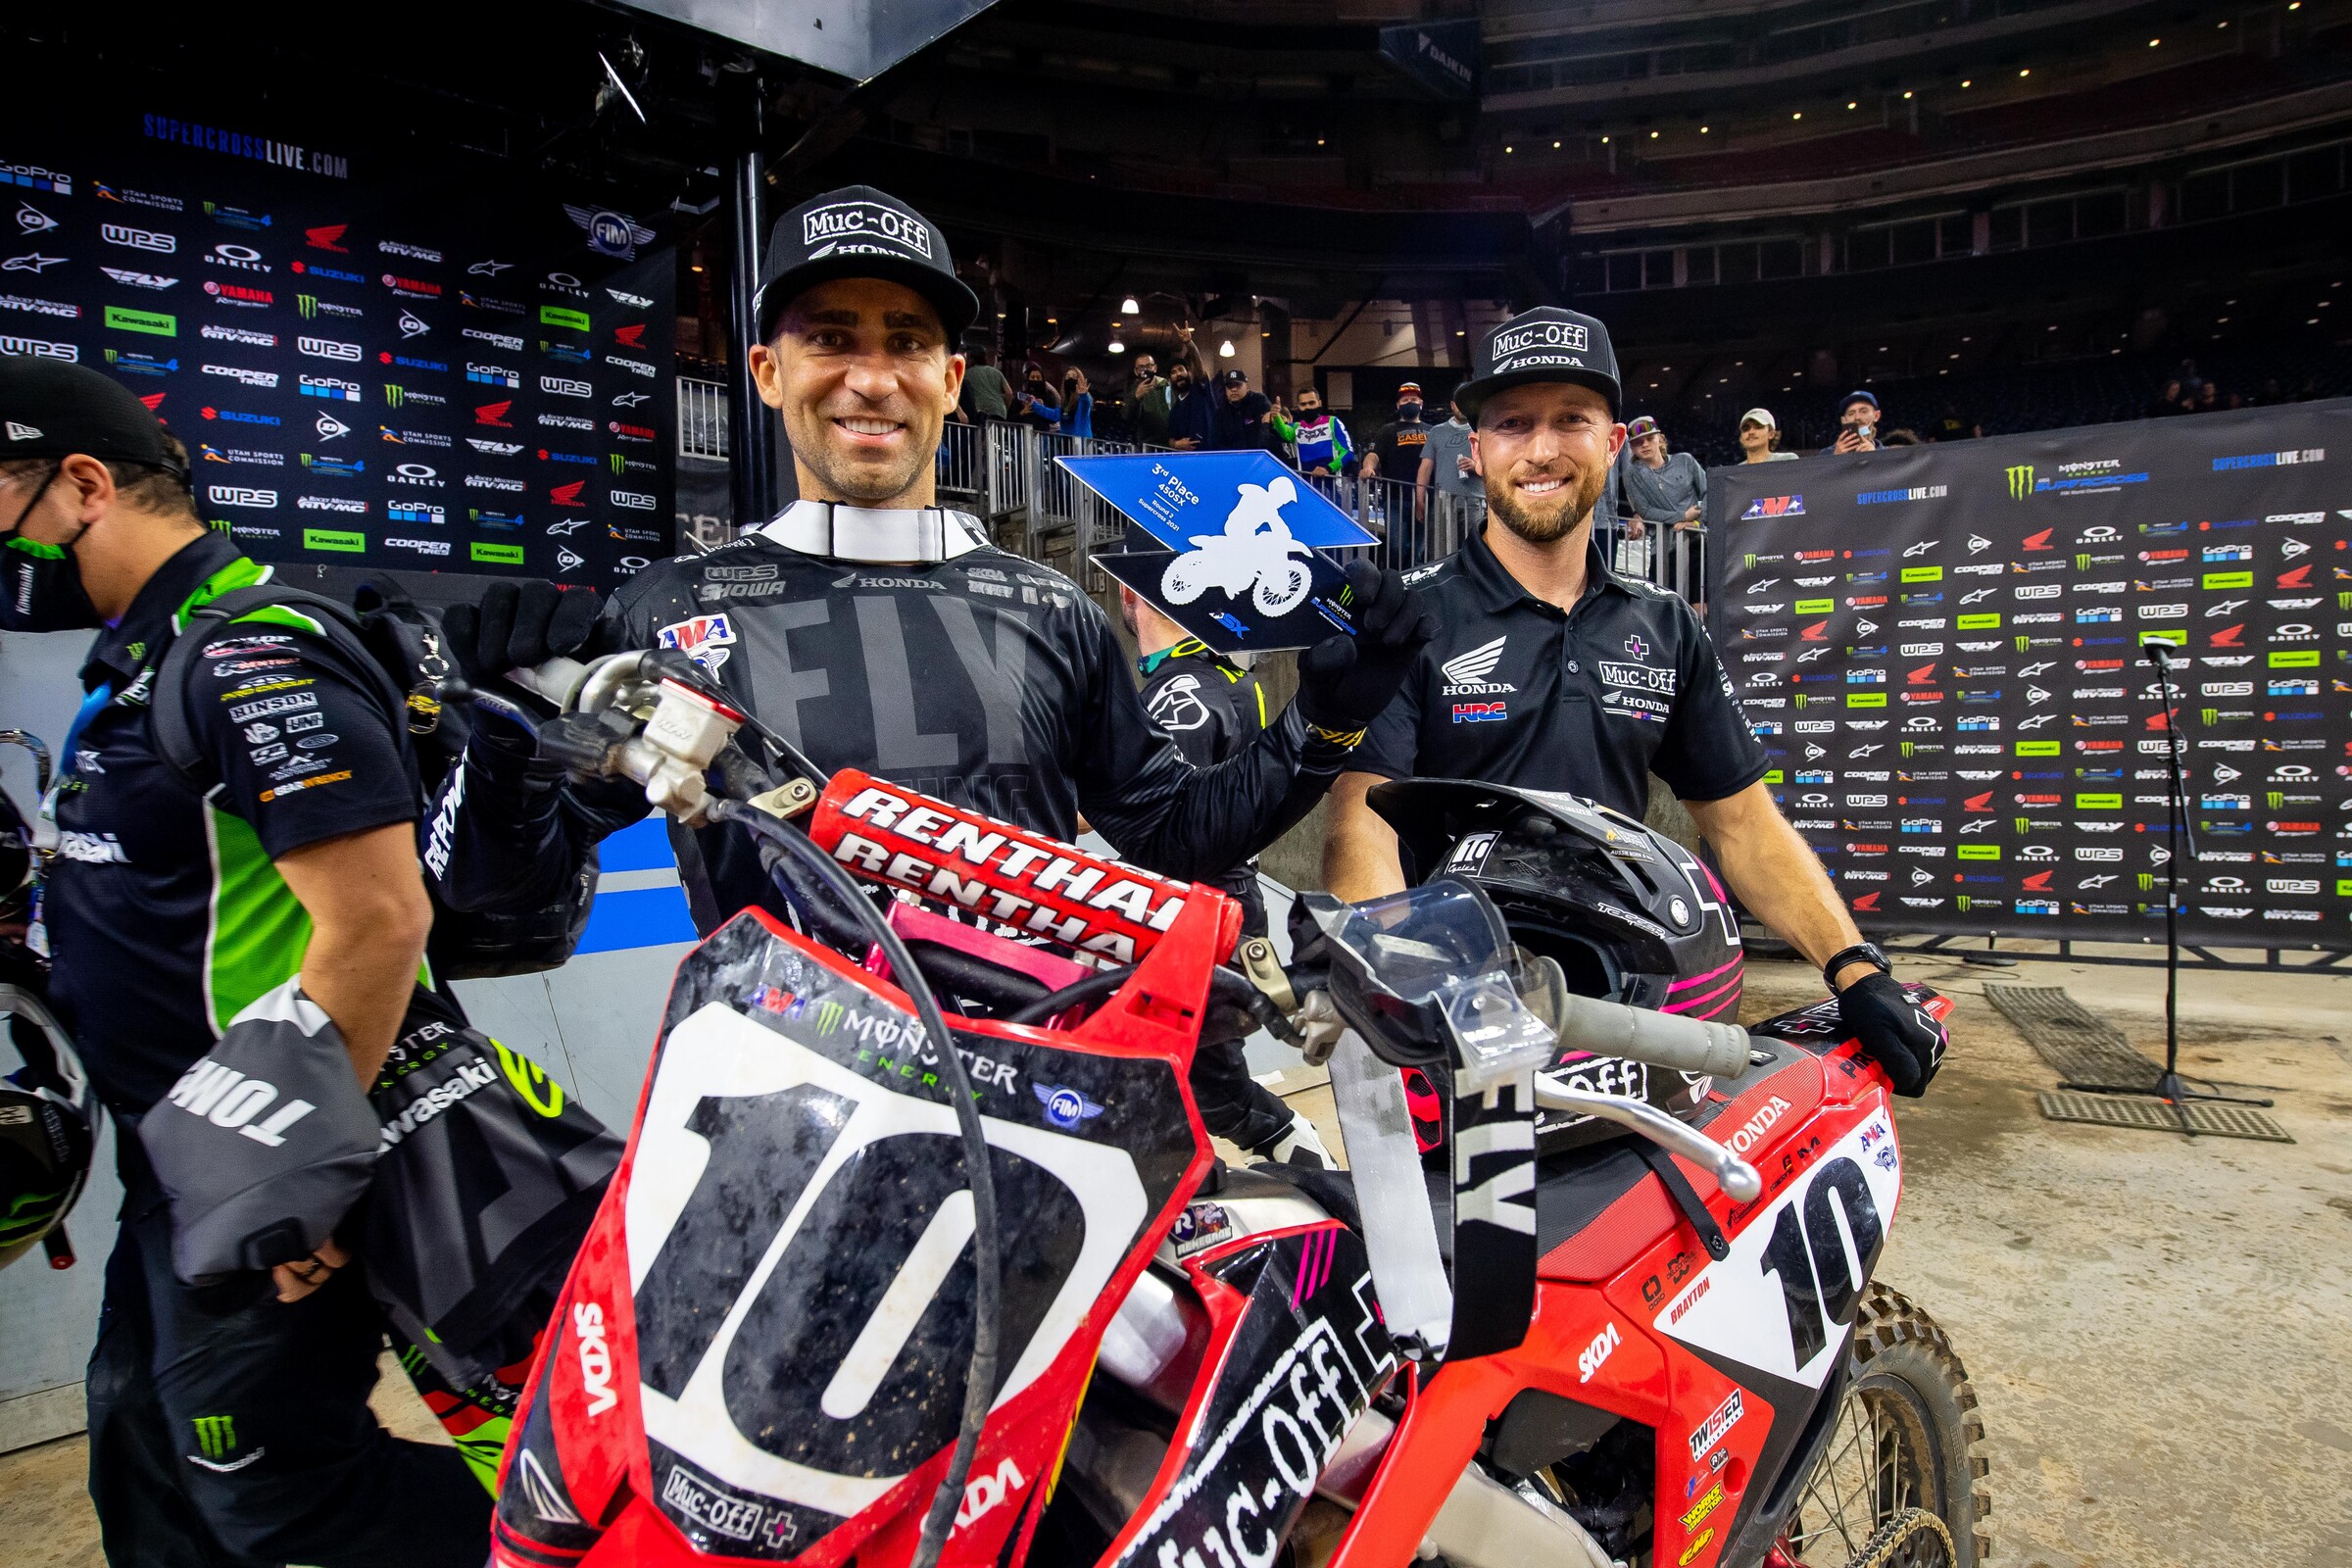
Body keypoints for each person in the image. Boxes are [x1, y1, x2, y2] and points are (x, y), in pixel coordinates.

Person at [423, 184, 1433, 1134]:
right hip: (773, 1138)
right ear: (768, 371)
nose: (872, 378)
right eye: (831, 338)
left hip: (1045, 1127)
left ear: (950, 381)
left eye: (906, 341)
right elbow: (513, 900)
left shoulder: (1052, 610)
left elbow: (1175, 833)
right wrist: (501, 749)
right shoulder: (667, 610)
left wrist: (1324, 724)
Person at [0, 358, 488, 1564]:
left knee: (280, 1496)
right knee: (146, 1454)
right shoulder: (144, 660)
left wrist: (290, 1184)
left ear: (83, 484)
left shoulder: (252, 652)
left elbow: (378, 922)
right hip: (175, 1161)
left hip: (261, 1170)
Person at [1319, 305, 1947, 1100]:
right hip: (1450, 1031)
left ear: (1614, 443)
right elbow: (1360, 824)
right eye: (1513, 423)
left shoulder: (1666, 625)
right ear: (1475, 451)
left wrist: (1855, 968)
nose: (1541, 449)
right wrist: (1398, 987)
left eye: (1570, 420)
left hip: (1628, 1023)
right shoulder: (1408, 616)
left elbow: (1744, 825)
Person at [1117, 583, 1320, 1161]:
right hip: (1223, 905)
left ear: (1129, 593)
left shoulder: (1177, 692)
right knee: (1194, 1082)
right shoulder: (1227, 677)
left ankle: (1314, 1171)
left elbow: (1139, 807)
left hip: (1193, 914)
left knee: (1191, 1084)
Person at [1604, 414, 1709, 604]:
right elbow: (1646, 511)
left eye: (1649, 439)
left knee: (1701, 605)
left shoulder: (1685, 461)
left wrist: (1695, 523)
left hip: (1697, 543)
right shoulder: (1632, 475)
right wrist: (1682, 516)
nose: (1644, 445)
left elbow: (1709, 492)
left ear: (1660, 439)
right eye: (1638, 442)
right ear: (1632, 448)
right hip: (1663, 550)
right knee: (1666, 606)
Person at [1270, 384, 1354, 478]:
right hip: (1305, 484)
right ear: (1298, 406)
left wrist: (1328, 468)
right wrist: (1276, 416)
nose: (1308, 407)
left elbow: (1348, 452)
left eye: (1311, 403)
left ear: (1319, 403)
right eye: (1303, 404)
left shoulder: (1333, 422)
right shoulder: (1297, 427)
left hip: (1332, 483)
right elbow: (1283, 431)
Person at [1417, 396, 1485, 511]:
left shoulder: (1483, 431)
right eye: (1459, 403)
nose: (1462, 407)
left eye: (1466, 403)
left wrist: (1476, 466)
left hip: (1475, 502)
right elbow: (1425, 468)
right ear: (1452, 405)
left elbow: (1497, 467)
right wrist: (1419, 500)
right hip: (1443, 503)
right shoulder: (1437, 432)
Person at [1364, 381, 1430, 487]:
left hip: (1428, 492)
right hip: (1394, 493)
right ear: (1398, 405)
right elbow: (1374, 454)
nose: (1409, 402)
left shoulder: (1433, 431)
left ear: (1421, 404)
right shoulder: (1387, 430)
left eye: (1414, 399)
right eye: (1405, 400)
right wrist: (1368, 467)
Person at [1165, 343, 1216, 451]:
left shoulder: (1201, 391)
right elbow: (1170, 438)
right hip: (1188, 458)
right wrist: (1176, 444)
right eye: (1173, 372)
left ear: (1188, 373)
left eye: (1181, 369)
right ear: (1170, 380)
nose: (1178, 374)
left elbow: (1199, 369)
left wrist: (1190, 344)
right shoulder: (1174, 411)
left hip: (1212, 454)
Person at [1210, 368, 1275, 452]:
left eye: (1238, 385)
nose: (1233, 389)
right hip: (1232, 457)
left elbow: (1267, 434)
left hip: (1259, 455)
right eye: (1229, 386)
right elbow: (1217, 442)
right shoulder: (1221, 410)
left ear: (1247, 386)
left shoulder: (1259, 401)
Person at [959, 335, 1012, 421]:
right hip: (1000, 412)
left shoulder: (966, 374)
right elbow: (1009, 393)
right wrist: (1004, 408)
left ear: (971, 358)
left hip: (981, 413)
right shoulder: (997, 372)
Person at [1035, 367, 1094, 439]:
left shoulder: (1085, 398)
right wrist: (1035, 405)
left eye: (1074, 377)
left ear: (1080, 380)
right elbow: (1054, 415)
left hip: (1080, 442)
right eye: (1068, 377)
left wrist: (1083, 395)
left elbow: (1084, 407)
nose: (1070, 379)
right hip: (1066, 442)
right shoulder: (1066, 401)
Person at [1128, 352, 1172, 446]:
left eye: (1148, 366)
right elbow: (1127, 416)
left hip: (1170, 442)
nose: (1145, 370)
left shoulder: (1167, 385)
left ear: (1155, 368)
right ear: (1136, 371)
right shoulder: (1132, 389)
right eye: (1141, 367)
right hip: (1148, 444)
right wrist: (1136, 397)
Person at [1823, 390, 1881, 455]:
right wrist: (1836, 458)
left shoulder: (1887, 453)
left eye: (1864, 411)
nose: (1857, 417)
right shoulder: (1825, 454)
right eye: (1851, 414)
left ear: (1876, 416)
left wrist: (1875, 456)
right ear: (1843, 420)